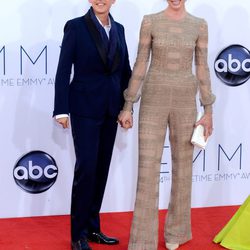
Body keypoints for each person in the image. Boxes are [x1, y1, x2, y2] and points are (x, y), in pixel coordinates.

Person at [118, 0, 215, 249]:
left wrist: (208, 110)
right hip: (153, 99)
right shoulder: (150, 21)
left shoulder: (199, 25)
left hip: (185, 101)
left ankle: (177, 233)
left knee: (183, 169)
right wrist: (129, 104)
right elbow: (141, 63)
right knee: (147, 170)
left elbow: (202, 67)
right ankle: (142, 240)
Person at [53, 0, 131, 249]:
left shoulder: (119, 29)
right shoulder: (75, 27)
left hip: (111, 110)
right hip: (84, 109)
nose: (101, 0)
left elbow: (125, 71)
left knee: (100, 171)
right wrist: (61, 110)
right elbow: (64, 70)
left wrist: (127, 107)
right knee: (86, 170)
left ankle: (93, 229)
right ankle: (78, 235)